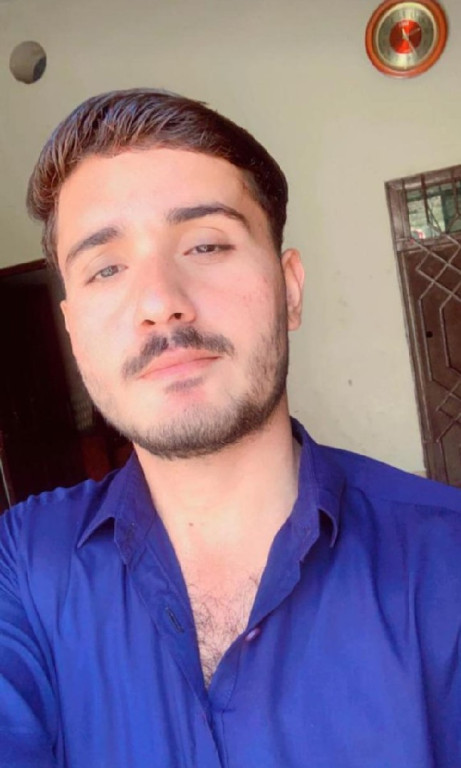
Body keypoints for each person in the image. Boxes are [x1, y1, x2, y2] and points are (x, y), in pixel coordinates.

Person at [0, 88, 460, 768]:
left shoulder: (447, 558)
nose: (160, 303)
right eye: (106, 268)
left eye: (206, 244)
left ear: (289, 288)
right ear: (73, 331)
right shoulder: (20, 566)